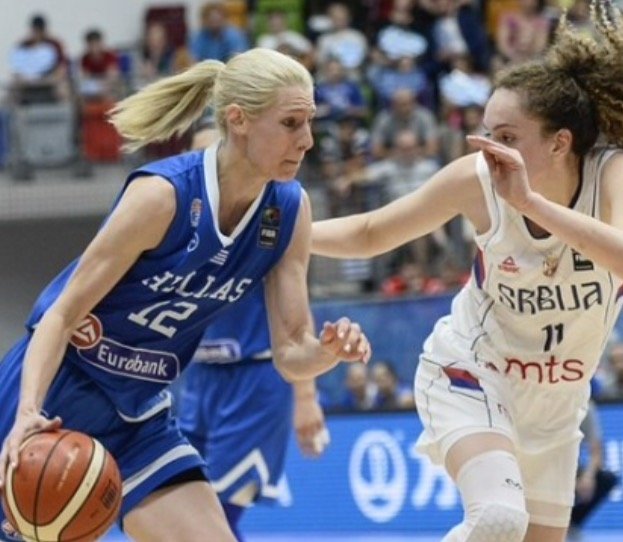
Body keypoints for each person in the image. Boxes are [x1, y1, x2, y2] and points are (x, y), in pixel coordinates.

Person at [0, 48, 370, 542]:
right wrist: (28, 412)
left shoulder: (287, 209)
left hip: (138, 414)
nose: (307, 140)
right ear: (238, 120)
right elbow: (61, 316)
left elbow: (290, 353)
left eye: (309, 122)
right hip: (58, 391)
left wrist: (327, 351)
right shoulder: (163, 196)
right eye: (290, 123)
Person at [311, 3, 623, 540]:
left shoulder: (610, 172)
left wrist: (530, 203)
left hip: (556, 406)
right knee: (498, 518)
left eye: (508, 137)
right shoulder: (477, 180)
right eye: (487, 132)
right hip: (472, 372)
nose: (491, 149)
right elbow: (371, 232)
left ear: (559, 142)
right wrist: (288, 234)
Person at [175, 121, 329, 542]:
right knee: (182, 516)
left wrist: (306, 398)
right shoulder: (180, 217)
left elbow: (296, 315)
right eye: (196, 157)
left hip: (256, 376)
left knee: (218, 520)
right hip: (199, 379)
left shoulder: (270, 217)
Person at [568, 399, 619, 540]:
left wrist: (588, 477)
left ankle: (571, 523)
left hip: (571, 470)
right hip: (543, 468)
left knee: (606, 479)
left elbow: (596, 452)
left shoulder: (585, 406)